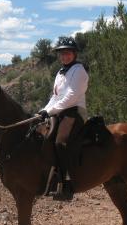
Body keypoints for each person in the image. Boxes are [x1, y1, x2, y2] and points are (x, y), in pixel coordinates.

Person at [35, 36, 89, 200]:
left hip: (74, 111)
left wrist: (50, 111)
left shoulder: (79, 70)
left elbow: (71, 96)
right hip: (59, 111)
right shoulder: (60, 72)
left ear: (74, 54)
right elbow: (55, 96)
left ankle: (66, 184)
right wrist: (43, 110)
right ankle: (49, 178)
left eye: (68, 53)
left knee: (60, 142)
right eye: (62, 53)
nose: (64, 56)